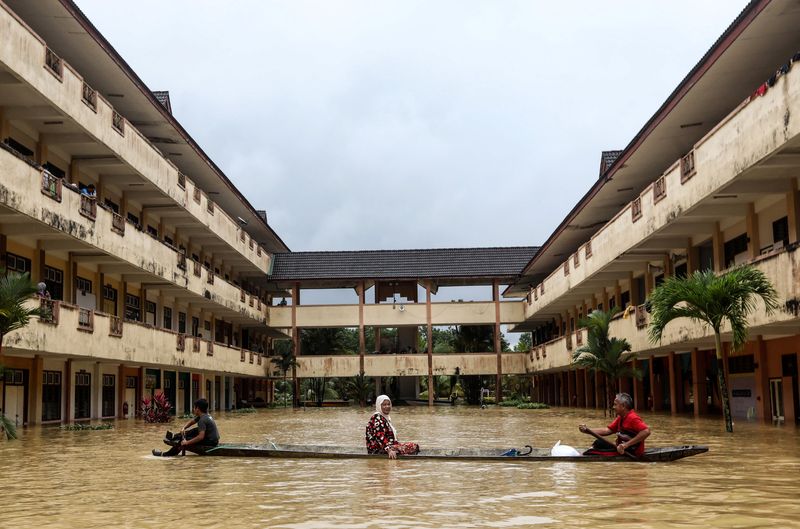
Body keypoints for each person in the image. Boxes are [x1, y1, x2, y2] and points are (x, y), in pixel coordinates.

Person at [578, 392, 650, 457]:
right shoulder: (621, 417)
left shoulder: (632, 418)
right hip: (621, 449)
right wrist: (587, 430)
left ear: (623, 406)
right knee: (599, 443)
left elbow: (646, 431)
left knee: (591, 452)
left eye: (615, 404)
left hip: (631, 452)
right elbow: (608, 430)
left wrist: (625, 445)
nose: (613, 407)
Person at [152, 398, 220, 457]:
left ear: (197, 409)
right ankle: (175, 436)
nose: (193, 409)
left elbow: (200, 437)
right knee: (195, 430)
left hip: (211, 442)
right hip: (213, 439)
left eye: (194, 407)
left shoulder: (202, 420)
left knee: (183, 440)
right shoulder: (205, 416)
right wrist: (183, 428)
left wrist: (187, 442)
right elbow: (192, 422)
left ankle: (165, 454)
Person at [365, 395, 419, 459]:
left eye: (388, 404)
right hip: (377, 450)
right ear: (379, 406)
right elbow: (380, 436)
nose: (387, 407)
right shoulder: (377, 418)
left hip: (386, 447)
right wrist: (389, 450)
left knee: (413, 446)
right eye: (384, 405)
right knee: (412, 446)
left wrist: (397, 445)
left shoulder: (384, 418)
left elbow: (389, 436)